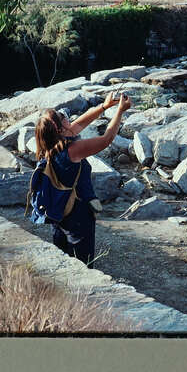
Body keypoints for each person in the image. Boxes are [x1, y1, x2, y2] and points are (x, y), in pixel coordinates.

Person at [34, 91, 132, 264]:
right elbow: (106, 139)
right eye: (62, 117)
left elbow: (79, 124)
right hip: (77, 214)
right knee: (83, 261)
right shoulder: (73, 150)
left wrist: (105, 106)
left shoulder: (48, 145)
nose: (66, 117)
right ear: (59, 129)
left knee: (63, 256)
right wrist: (120, 111)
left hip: (59, 211)